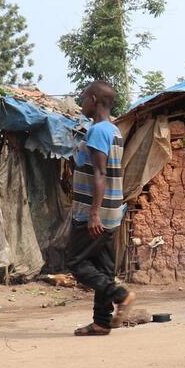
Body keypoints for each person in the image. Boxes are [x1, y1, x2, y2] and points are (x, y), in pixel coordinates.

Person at [67, 81, 136, 336]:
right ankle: (102, 322)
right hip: (113, 210)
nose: (81, 102)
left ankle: (121, 294)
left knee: (75, 261)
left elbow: (100, 172)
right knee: (103, 265)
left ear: (94, 99)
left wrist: (93, 213)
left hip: (94, 212)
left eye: (84, 97)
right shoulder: (114, 130)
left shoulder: (97, 131)